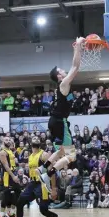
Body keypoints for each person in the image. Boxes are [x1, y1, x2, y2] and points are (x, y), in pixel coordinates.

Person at [38, 37, 86, 193]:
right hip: (60, 122)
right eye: (61, 70)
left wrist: (76, 49)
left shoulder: (62, 86)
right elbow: (75, 66)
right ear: (59, 76)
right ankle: (48, 174)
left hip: (54, 122)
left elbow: (73, 65)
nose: (64, 70)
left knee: (60, 152)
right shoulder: (63, 84)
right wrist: (78, 46)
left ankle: (42, 169)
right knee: (71, 156)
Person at [9, 137, 76, 217]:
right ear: (30, 143)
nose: (35, 138)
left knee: (43, 210)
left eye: (37, 137)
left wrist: (53, 188)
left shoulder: (44, 154)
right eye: (34, 137)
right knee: (19, 202)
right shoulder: (30, 156)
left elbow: (52, 172)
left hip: (42, 184)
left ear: (40, 143)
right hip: (32, 183)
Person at [0, 137, 20, 217]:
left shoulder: (10, 150)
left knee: (17, 193)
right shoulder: (3, 152)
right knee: (6, 195)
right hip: (8, 175)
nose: (9, 141)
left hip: (13, 173)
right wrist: (13, 176)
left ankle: (11, 213)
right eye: (6, 140)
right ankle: (1, 215)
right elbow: (6, 166)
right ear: (2, 142)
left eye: (9, 140)